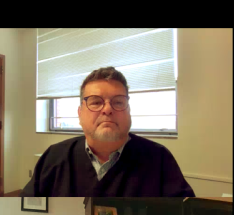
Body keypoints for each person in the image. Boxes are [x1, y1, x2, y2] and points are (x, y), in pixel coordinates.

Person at [22, 67, 194, 198]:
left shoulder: (159, 159)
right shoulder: (54, 157)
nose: (107, 109)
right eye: (96, 102)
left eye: (118, 102)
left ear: (129, 111)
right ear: (80, 113)